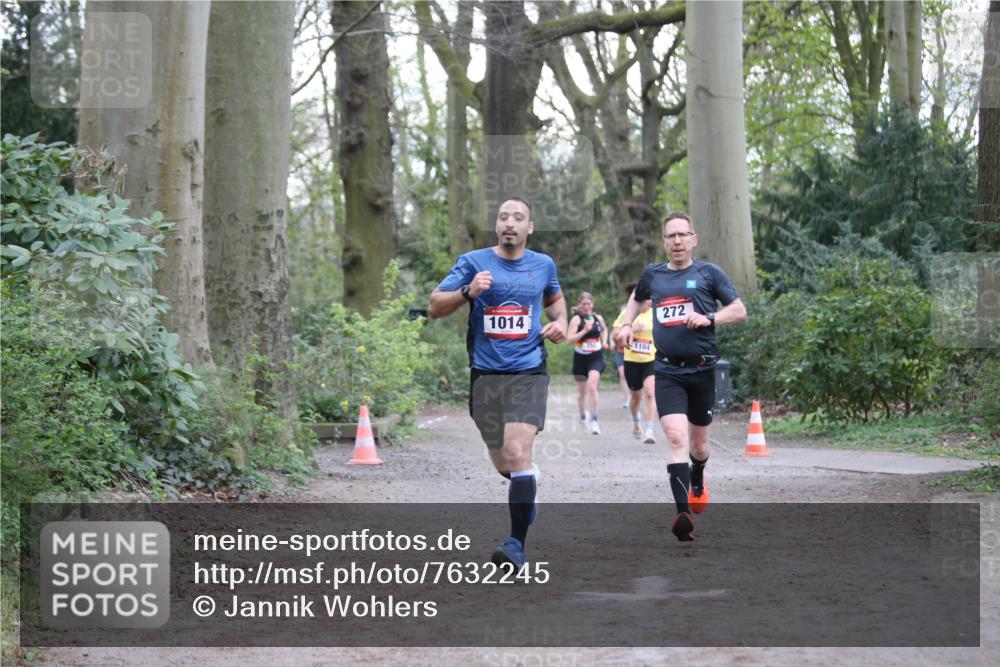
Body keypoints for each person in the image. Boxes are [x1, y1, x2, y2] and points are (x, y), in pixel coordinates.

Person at [428, 197, 568, 568]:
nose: (510, 223)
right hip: (485, 376)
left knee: (517, 451)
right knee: (506, 464)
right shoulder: (473, 263)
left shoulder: (543, 265)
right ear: (496, 225)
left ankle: (515, 546)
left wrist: (561, 323)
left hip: (528, 372)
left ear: (529, 227)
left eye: (518, 218)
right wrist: (467, 292)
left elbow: (556, 301)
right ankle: (527, 481)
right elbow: (435, 306)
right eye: (503, 217)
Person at [617, 211, 747, 542]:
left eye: (682, 235)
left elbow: (739, 310)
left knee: (699, 446)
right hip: (666, 370)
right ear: (664, 242)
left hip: (702, 369)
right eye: (670, 236)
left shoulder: (709, 273)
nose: (676, 241)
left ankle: (698, 474)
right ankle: (682, 513)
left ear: (693, 240)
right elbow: (637, 298)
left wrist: (709, 318)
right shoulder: (654, 274)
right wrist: (627, 324)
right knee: (676, 438)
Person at [612, 294, 657, 444]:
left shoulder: (656, 313)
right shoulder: (627, 314)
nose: (650, 302)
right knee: (635, 398)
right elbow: (615, 335)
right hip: (632, 361)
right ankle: (636, 420)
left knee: (650, 393)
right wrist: (632, 329)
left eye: (651, 299)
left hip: (650, 360)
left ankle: (649, 430)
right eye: (647, 299)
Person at [566, 292, 609, 435]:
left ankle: (595, 420)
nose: (586, 306)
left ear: (592, 304)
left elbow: (604, 329)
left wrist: (604, 341)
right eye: (583, 304)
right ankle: (583, 417)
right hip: (580, 359)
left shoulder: (598, 318)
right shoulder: (576, 320)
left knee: (592, 386)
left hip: (596, 357)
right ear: (579, 305)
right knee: (581, 393)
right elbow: (569, 340)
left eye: (588, 304)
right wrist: (584, 331)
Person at [612, 284, 635, 409]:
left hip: (638, 352)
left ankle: (635, 396)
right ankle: (627, 398)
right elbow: (615, 333)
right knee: (622, 374)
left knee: (634, 376)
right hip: (622, 350)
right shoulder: (624, 311)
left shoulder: (648, 309)